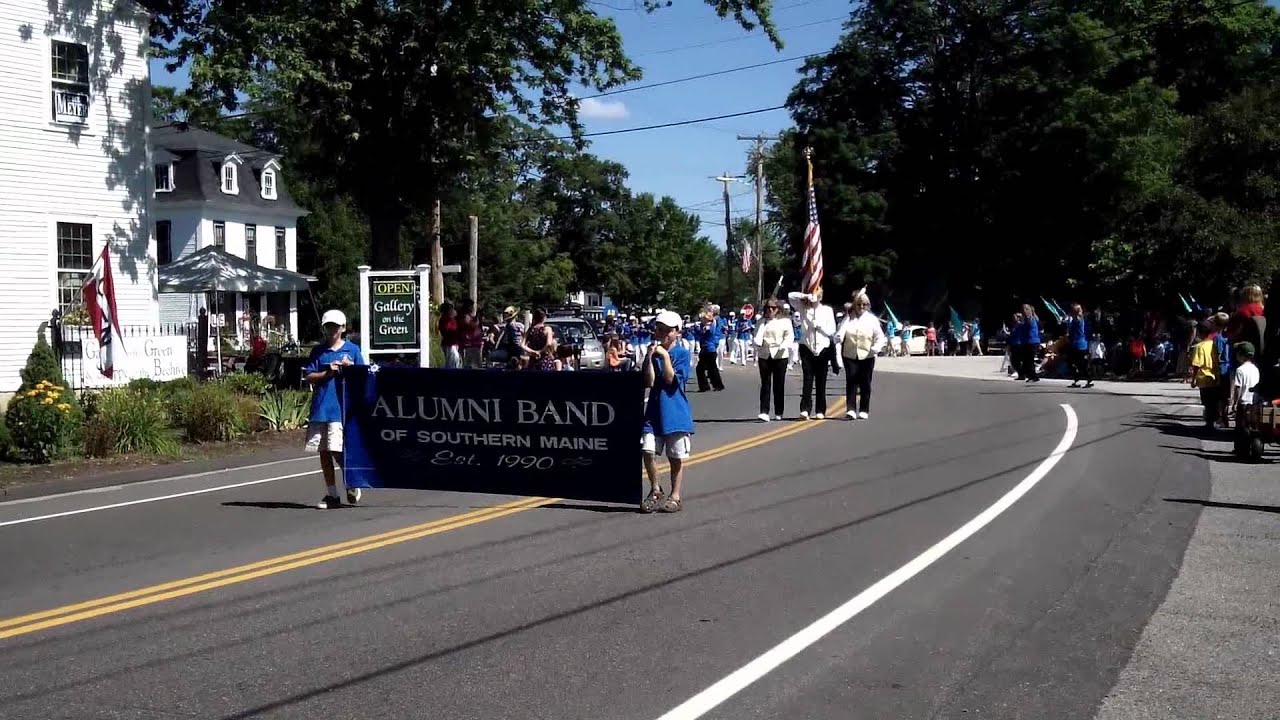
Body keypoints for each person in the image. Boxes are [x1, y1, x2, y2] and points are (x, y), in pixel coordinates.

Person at [304, 310, 365, 510]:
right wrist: (327, 372)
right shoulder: (318, 351)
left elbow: (364, 377)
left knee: (336, 449)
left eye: (336, 327)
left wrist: (350, 368)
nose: (332, 330)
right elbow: (309, 376)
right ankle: (332, 494)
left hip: (341, 407)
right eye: (328, 326)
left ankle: (353, 481)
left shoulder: (353, 350)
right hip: (321, 407)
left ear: (343, 328)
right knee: (323, 452)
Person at [641, 310, 694, 514]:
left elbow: (671, 380)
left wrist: (664, 356)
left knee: (675, 456)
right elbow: (650, 381)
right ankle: (655, 488)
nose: (662, 333)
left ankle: (675, 495)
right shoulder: (653, 352)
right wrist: (649, 357)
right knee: (647, 451)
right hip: (653, 412)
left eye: (667, 330)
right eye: (659, 329)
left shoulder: (681, 353)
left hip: (674, 412)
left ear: (676, 332)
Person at [835, 290, 887, 419]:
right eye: (859, 304)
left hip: (867, 355)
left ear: (868, 306)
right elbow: (840, 333)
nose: (861, 307)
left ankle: (864, 409)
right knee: (851, 381)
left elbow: (880, 336)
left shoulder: (872, 319)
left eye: (864, 304)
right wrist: (838, 338)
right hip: (850, 354)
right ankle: (851, 409)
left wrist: (876, 348)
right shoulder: (849, 318)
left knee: (865, 382)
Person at [787, 288, 837, 419]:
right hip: (807, 346)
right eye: (814, 294)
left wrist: (819, 326)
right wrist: (806, 296)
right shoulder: (803, 307)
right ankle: (805, 409)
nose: (815, 297)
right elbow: (790, 296)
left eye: (817, 294)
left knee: (821, 380)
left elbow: (832, 331)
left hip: (823, 347)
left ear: (821, 296)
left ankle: (820, 410)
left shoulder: (827, 310)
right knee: (807, 379)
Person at [753, 298, 795, 421]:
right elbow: (757, 336)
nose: (770, 310)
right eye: (768, 308)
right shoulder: (761, 322)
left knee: (779, 384)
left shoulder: (785, 321)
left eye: (773, 308)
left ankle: (779, 411)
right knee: (765, 383)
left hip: (780, 355)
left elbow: (789, 336)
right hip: (765, 355)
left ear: (778, 309)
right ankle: (764, 411)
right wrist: (757, 342)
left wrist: (783, 345)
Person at [1230, 341, 1259, 437]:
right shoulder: (1255, 369)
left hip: (1243, 403)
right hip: (1254, 402)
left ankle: (1240, 447)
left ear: (1241, 355)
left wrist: (1234, 403)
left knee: (1240, 427)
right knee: (1252, 426)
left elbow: (1238, 388)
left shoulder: (1240, 370)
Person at [693, 307, 725, 392]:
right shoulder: (702, 326)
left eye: (703, 319)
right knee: (701, 369)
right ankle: (705, 386)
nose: (702, 320)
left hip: (710, 350)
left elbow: (710, 326)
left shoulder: (711, 325)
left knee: (712, 369)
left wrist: (709, 317)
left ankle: (717, 385)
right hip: (704, 349)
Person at [1067, 303, 1093, 388]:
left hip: (1079, 344)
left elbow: (1072, 329)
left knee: (1079, 363)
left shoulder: (1077, 319)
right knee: (1076, 363)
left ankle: (1087, 379)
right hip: (1078, 344)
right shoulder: (1079, 319)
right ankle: (1077, 379)